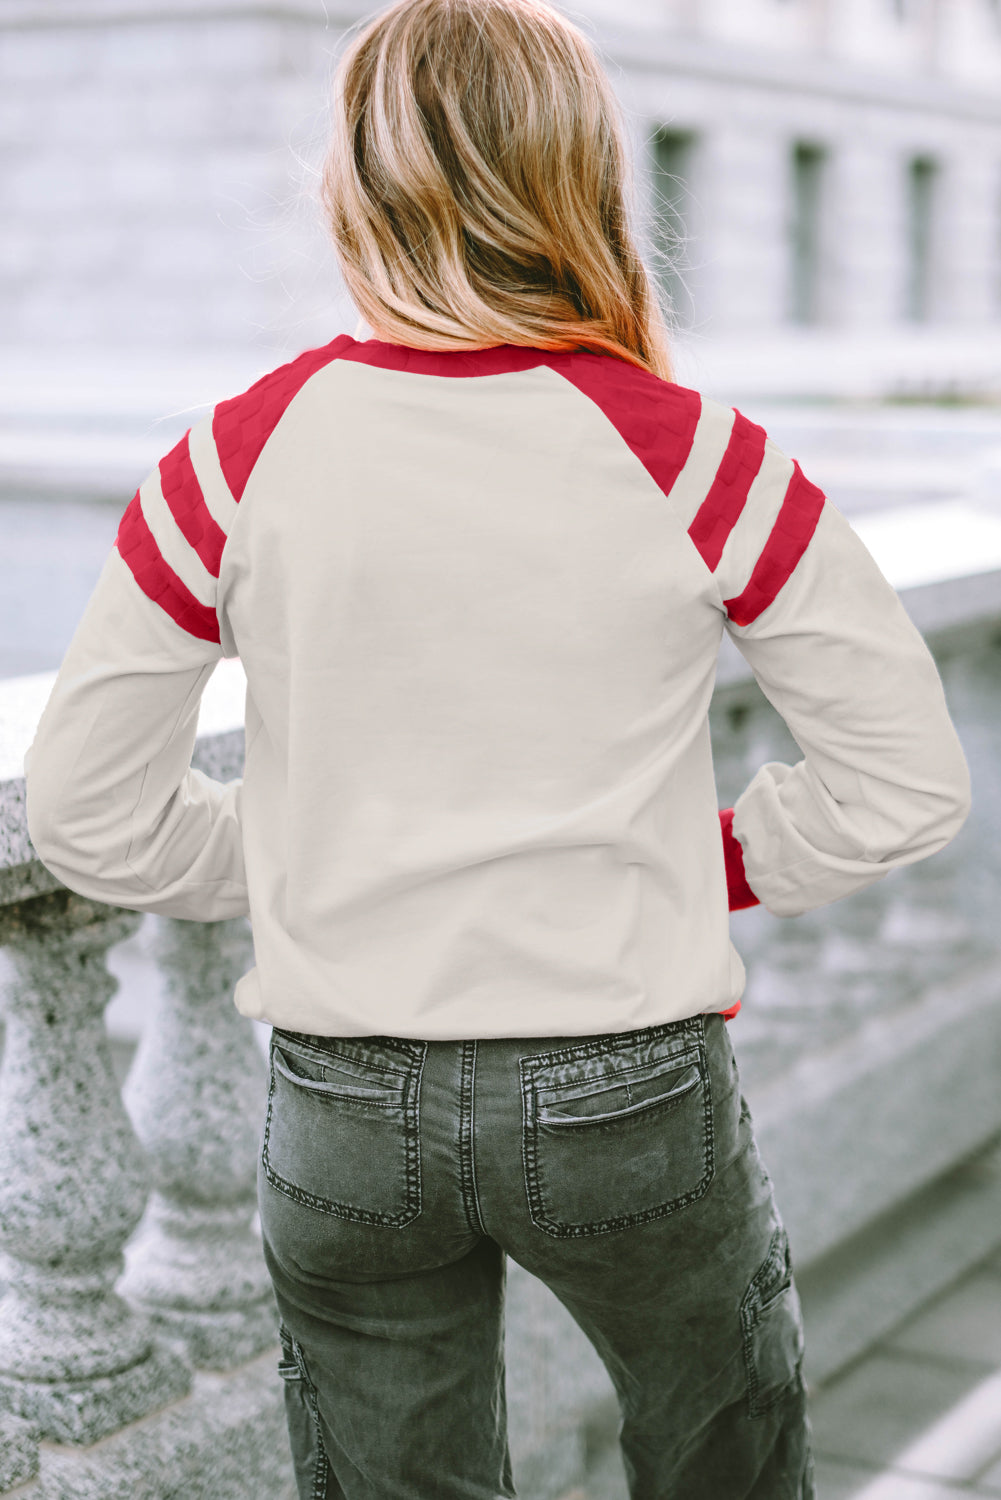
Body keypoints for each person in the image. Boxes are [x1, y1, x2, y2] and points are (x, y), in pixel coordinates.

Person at [23, 0, 971, 1495]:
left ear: (355, 186)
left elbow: (88, 816)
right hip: (627, 1090)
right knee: (722, 1447)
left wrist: (300, 856)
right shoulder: (696, 454)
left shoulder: (233, 456)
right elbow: (905, 785)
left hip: (345, 1101)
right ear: (581, 176)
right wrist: (705, 858)